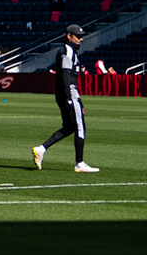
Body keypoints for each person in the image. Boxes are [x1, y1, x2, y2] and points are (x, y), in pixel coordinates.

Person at [32, 24, 98, 172]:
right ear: (69, 36)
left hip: (66, 94)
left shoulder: (69, 51)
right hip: (69, 94)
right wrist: (70, 99)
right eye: (78, 36)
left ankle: (41, 149)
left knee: (70, 127)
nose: (81, 39)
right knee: (80, 127)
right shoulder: (67, 51)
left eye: (82, 36)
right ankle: (79, 163)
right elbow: (66, 76)